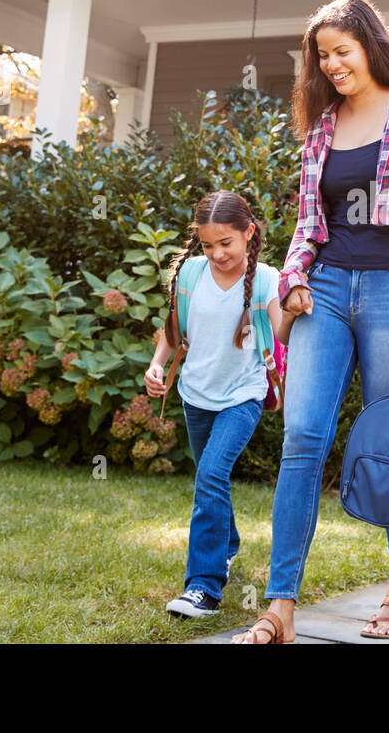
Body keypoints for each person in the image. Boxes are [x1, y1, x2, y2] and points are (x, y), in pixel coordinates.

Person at [231, 0, 389, 644]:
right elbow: (309, 224)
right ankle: (280, 606)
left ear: (370, 44)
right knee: (303, 439)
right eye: (322, 56)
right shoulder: (320, 131)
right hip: (329, 289)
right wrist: (294, 281)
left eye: (342, 50)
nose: (332, 64)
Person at [144, 190, 284, 618]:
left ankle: (203, 587)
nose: (218, 253)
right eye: (208, 245)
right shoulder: (190, 274)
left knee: (209, 476)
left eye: (226, 243)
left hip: (242, 395)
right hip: (196, 395)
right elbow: (173, 327)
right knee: (212, 481)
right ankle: (228, 545)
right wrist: (156, 366)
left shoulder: (265, 279)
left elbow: (285, 332)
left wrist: (296, 302)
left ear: (249, 233)